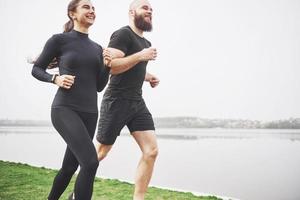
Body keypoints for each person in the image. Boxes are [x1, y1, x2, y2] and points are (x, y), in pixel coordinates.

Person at [31, 0, 111, 199]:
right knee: (91, 162)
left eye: (93, 8)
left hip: (90, 113)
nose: (91, 10)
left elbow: (99, 87)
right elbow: (36, 68)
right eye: (86, 7)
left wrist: (107, 66)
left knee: (69, 168)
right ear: (72, 14)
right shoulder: (59, 40)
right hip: (65, 109)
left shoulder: (97, 48)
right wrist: (55, 78)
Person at [95, 0, 159, 199]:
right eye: (145, 8)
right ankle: (76, 193)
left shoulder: (145, 43)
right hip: (117, 100)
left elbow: (133, 68)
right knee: (100, 154)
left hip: (136, 102)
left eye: (151, 9)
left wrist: (148, 77)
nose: (150, 11)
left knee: (151, 151)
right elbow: (112, 66)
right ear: (132, 12)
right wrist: (140, 56)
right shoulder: (123, 34)